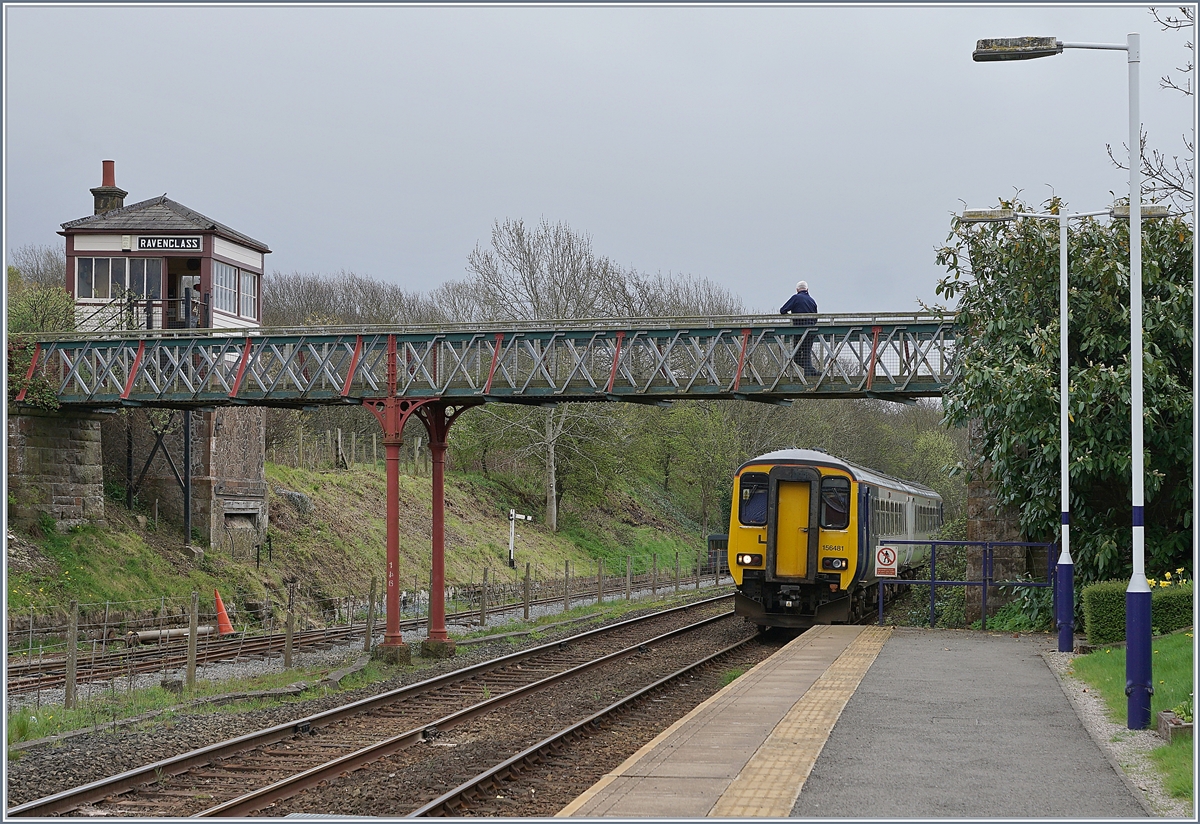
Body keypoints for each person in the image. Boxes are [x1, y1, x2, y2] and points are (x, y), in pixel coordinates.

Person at [780, 281, 819, 376]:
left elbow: (783, 310)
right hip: (811, 332)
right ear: (807, 289)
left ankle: (812, 372)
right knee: (806, 354)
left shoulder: (796, 298)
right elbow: (816, 317)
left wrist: (791, 316)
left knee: (796, 356)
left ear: (797, 289)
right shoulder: (812, 300)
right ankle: (811, 373)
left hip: (799, 331)